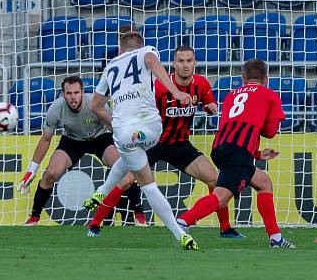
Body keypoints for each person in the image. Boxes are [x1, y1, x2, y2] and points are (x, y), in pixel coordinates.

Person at [86, 45, 244, 238]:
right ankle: (95, 223)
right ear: (173, 64)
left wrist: (211, 108)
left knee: (214, 179)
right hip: (154, 144)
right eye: (181, 61)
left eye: (189, 61)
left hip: (180, 145)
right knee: (126, 180)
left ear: (195, 63)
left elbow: (209, 105)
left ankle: (225, 228)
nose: (185, 65)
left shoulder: (201, 84)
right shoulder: (160, 86)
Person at [81, 31, 199, 250]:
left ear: (120, 48)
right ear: (139, 45)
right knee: (145, 172)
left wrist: (114, 125)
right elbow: (152, 62)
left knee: (140, 171)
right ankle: (181, 233)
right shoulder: (146, 51)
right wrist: (176, 92)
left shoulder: (110, 66)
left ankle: (101, 191)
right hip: (151, 128)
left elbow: (95, 106)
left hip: (123, 132)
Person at [176, 59, 294, 249]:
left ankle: (276, 238)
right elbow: (271, 131)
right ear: (267, 79)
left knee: (264, 183)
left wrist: (255, 153)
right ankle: (182, 222)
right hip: (238, 152)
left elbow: (234, 128)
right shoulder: (270, 95)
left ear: (243, 78)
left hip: (221, 148)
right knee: (221, 196)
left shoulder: (231, 95)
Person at [18, 75, 144, 227]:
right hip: (72, 141)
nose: (73, 97)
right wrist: (32, 170)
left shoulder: (95, 104)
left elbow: (115, 129)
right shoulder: (56, 109)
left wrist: (131, 149)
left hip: (101, 138)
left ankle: (139, 214)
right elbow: (45, 139)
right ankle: (34, 217)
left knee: (124, 168)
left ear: (83, 92)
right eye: (69, 93)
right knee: (50, 173)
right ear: (63, 95)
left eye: (76, 93)